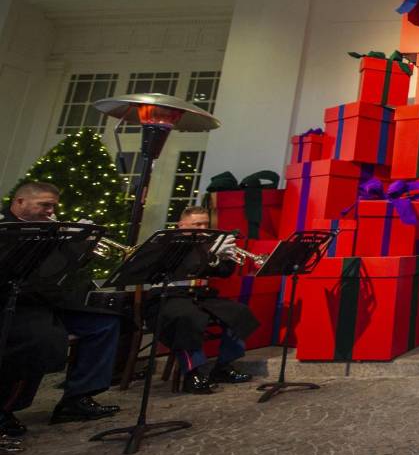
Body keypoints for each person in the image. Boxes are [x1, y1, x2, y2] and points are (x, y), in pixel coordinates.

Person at [0, 182, 122, 441]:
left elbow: (61, 270)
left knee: (104, 324)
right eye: (44, 205)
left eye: (53, 206)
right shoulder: (5, 228)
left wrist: (81, 246)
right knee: (40, 340)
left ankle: (76, 398)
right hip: (15, 303)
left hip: (47, 299)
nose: (51, 211)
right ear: (20, 202)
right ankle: (6, 408)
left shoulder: (50, 228)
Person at [147, 206, 259, 394]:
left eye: (205, 224)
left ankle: (223, 366)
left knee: (239, 312)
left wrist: (225, 258)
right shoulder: (168, 244)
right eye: (197, 224)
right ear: (181, 225)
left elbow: (223, 273)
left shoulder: (207, 243)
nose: (202, 228)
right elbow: (186, 268)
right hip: (170, 295)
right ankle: (193, 373)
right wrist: (211, 256)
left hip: (200, 295)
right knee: (187, 318)